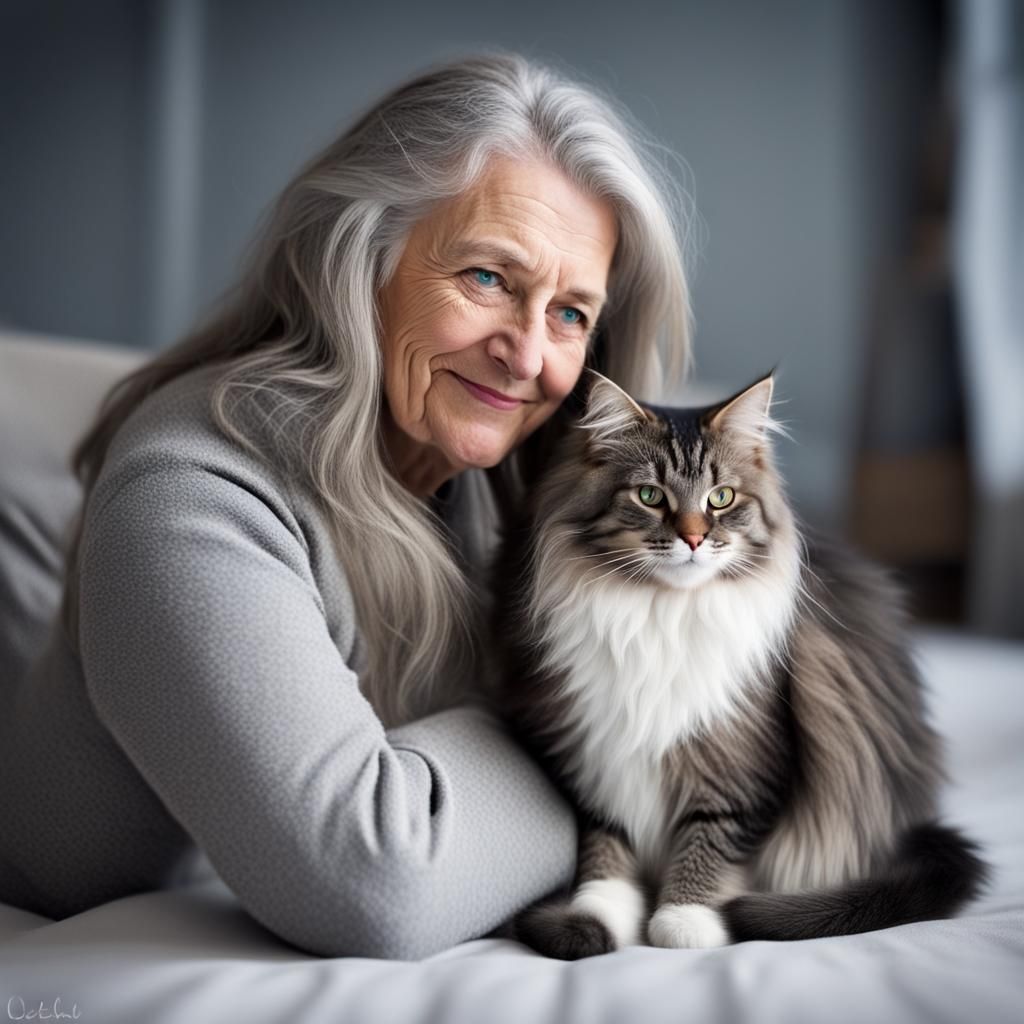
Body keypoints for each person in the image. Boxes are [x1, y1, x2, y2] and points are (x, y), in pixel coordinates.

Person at [0, 52, 692, 959]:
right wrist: (605, 737)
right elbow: (373, 881)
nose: (527, 356)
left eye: (569, 313)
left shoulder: (505, 469)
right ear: (360, 261)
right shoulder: (185, 494)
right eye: (488, 277)